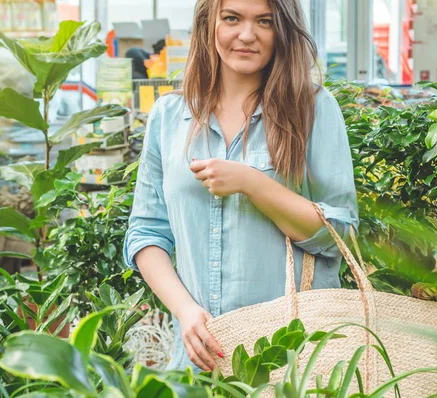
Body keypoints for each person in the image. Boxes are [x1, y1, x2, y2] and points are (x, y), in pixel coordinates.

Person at [123, 0, 358, 373]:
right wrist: (185, 312)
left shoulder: (313, 108)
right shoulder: (169, 117)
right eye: (231, 18)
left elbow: (338, 232)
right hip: (199, 356)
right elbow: (147, 233)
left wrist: (251, 182)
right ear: (209, 23)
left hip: (293, 360)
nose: (246, 35)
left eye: (264, 21)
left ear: (282, 28)